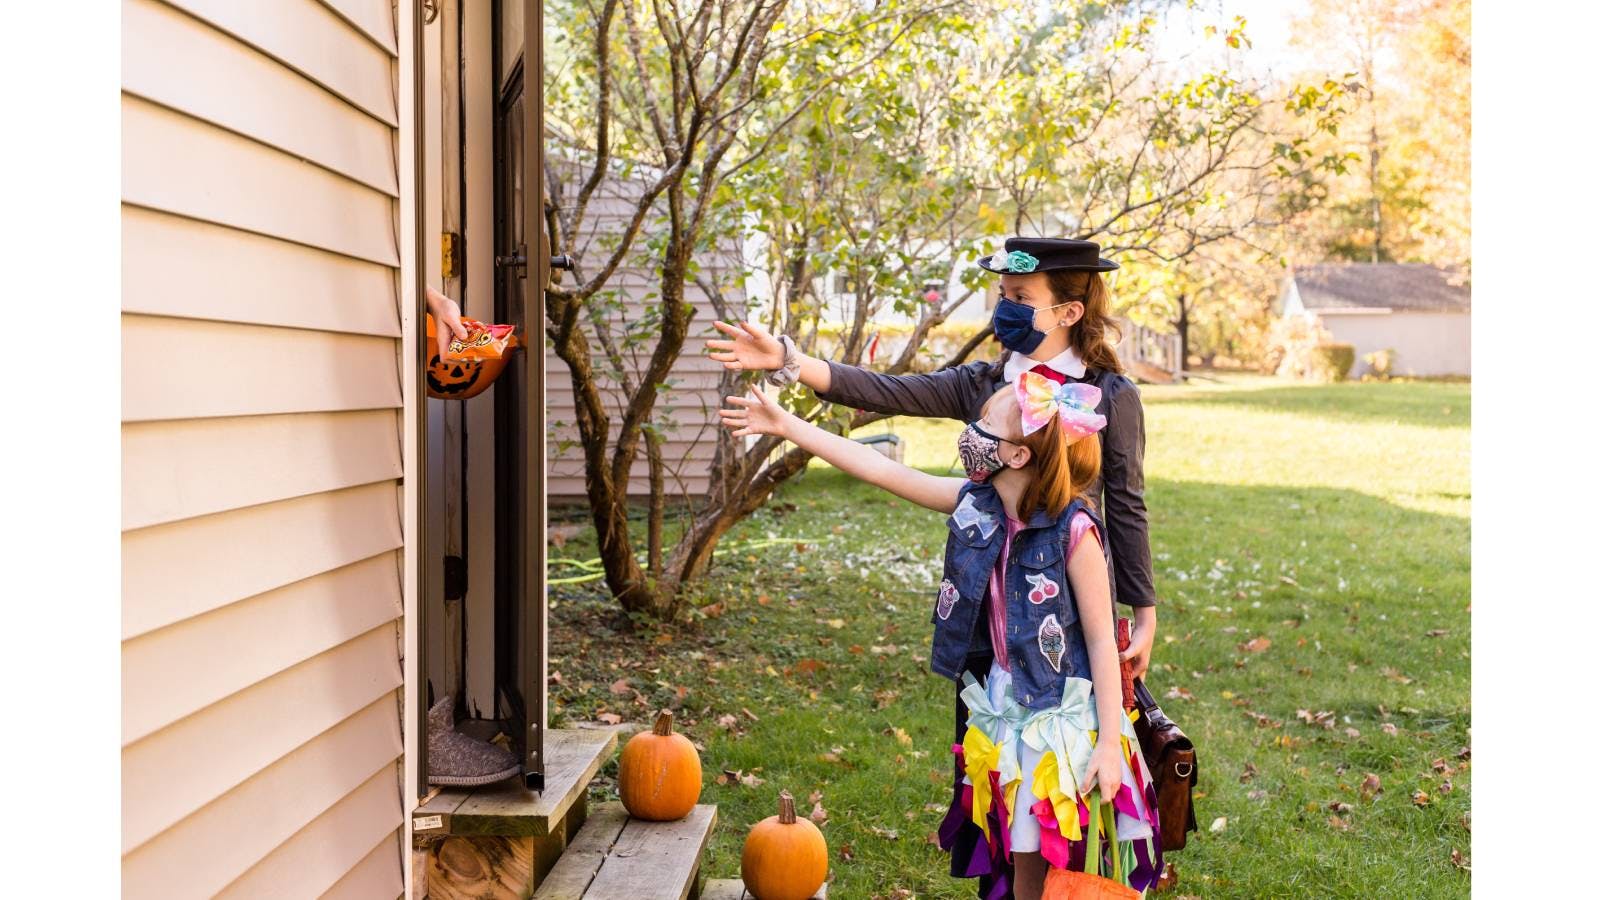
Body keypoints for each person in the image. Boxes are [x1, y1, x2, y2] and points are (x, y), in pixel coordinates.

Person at [720, 374, 1161, 899]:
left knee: (1068, 861)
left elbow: (1100, 645)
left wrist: (1109, 746)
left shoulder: (1075, 533)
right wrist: (788, 426)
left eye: (985, 426)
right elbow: (881, 468)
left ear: (1016, 456)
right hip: (1005, 714)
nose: (970, 432)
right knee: (1022, 859)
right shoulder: (976, 503)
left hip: (1063, 723)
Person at [705, 237, 1158, 680]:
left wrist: (1144, 612)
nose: (1006, 307)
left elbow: (1126, 505)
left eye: (1022, 297)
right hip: (989, 593)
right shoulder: (985, 383)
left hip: (1074, 594)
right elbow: (889, 391)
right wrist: (790, 360)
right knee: (985, 736)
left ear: (1069, 311)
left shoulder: (1112, 395)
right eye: (1003, 295)